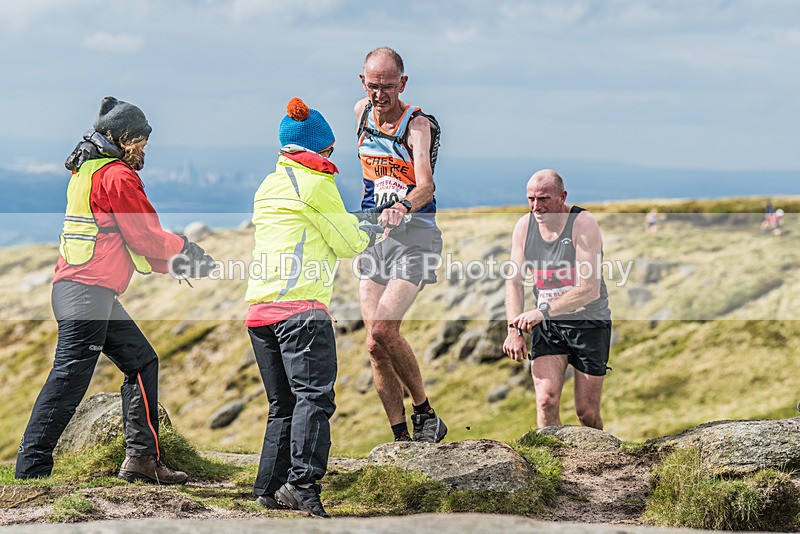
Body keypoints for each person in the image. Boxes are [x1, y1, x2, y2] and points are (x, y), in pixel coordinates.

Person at [15, 96, 213, 483]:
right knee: (69, 378)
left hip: (83, 290)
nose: (145, 149)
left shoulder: (87, 171)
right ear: (123, 138)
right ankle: (31, 470)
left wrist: (177, 263)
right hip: (87, 293)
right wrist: (185, 250)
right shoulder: (118, 175)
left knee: (141, 361)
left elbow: (125, 239)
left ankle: (141, 460)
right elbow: (145, 236)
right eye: (141, 140)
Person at [246, 97, 385, 518]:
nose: (330, 154)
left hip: (260, 311)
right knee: (315, 399)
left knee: (283, 404)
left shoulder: (270, 185)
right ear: (317, 148)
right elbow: (347, 242)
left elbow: (312, 229)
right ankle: (303, 485)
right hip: (300, 310)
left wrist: (355, 222)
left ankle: (268, 489)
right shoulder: (316, 183)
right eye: (328, 148)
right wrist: (374, 226)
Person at [355, 46, 446, 443]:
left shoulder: (417, 125)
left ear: (402, 84)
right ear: (363, 82)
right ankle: (400, 437)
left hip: (415, 237)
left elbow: (426, 184)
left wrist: (403, 205)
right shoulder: (359, 112)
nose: (380, 95)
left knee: (385, 329)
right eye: (374, 86)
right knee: (374, 345)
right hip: (375, 239)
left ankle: (425, 413)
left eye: (388, 87)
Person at [503, 170, 612, 430]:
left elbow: (589, 289)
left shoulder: (583, 223)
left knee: (586, 413)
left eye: (543, 199)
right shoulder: (524, 226)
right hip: (549, 326)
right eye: (531, 199)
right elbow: (514, 281)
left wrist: (541, 312)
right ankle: (548, 463)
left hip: (588, 322)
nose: (536, 207)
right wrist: (513, 329)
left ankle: (598, 459)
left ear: (563, 197)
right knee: (545, 400)